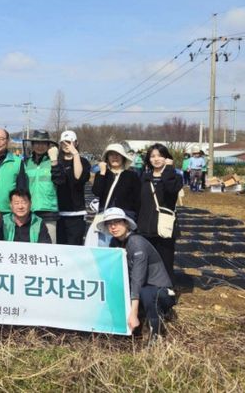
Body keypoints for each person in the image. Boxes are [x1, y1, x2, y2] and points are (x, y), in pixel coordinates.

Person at [101, 207, 176, 341]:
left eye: (117, 222)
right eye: (109, 223)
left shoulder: (136, 242)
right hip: (137, 291)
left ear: (126, 223)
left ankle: (156, 334)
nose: (113, 227)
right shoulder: (114, 242)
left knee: (147, 293)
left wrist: (133, 313)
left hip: (159, 291)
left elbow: (137, 278)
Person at [137, 143, 182, 284]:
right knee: (146, 261)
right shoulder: (144, 178)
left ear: (167, 158)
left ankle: (167, 290)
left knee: (165, 261)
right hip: (145, 227)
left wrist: (168, 169)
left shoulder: (175, 177)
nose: (156, 159)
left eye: (160, 156)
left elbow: (171, 190)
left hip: (164, 227)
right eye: (152, 156)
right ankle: (147, 289)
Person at [22, 130, 64, 244]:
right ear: (32, 144)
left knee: (49, 246)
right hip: (30, 211)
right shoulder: (26, 163)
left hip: (49, 211)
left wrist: (54, 161)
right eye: (37, 143)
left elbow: (60, 181)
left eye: (43, 143)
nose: (40, 146)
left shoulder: (55, 161)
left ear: (48, 145)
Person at [55, 130, 91, 245]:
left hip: (77, 213)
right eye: (64, 143)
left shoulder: (83, 162)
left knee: (75, 246)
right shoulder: (57, 162)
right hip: (58, 213)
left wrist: (75, 154)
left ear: (76, 143)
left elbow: (78, 177)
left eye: (69, 142)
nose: (67, 145)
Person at [91, 143, 141, 219]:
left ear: (123, 157)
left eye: (118, 154)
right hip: (106, 215)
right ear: (107, 158)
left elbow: (138, 199)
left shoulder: (132, 175)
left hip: (125, 216)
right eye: (111, 154)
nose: (115, 157)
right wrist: (102, 172)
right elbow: (97, 192)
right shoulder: (102, 174)